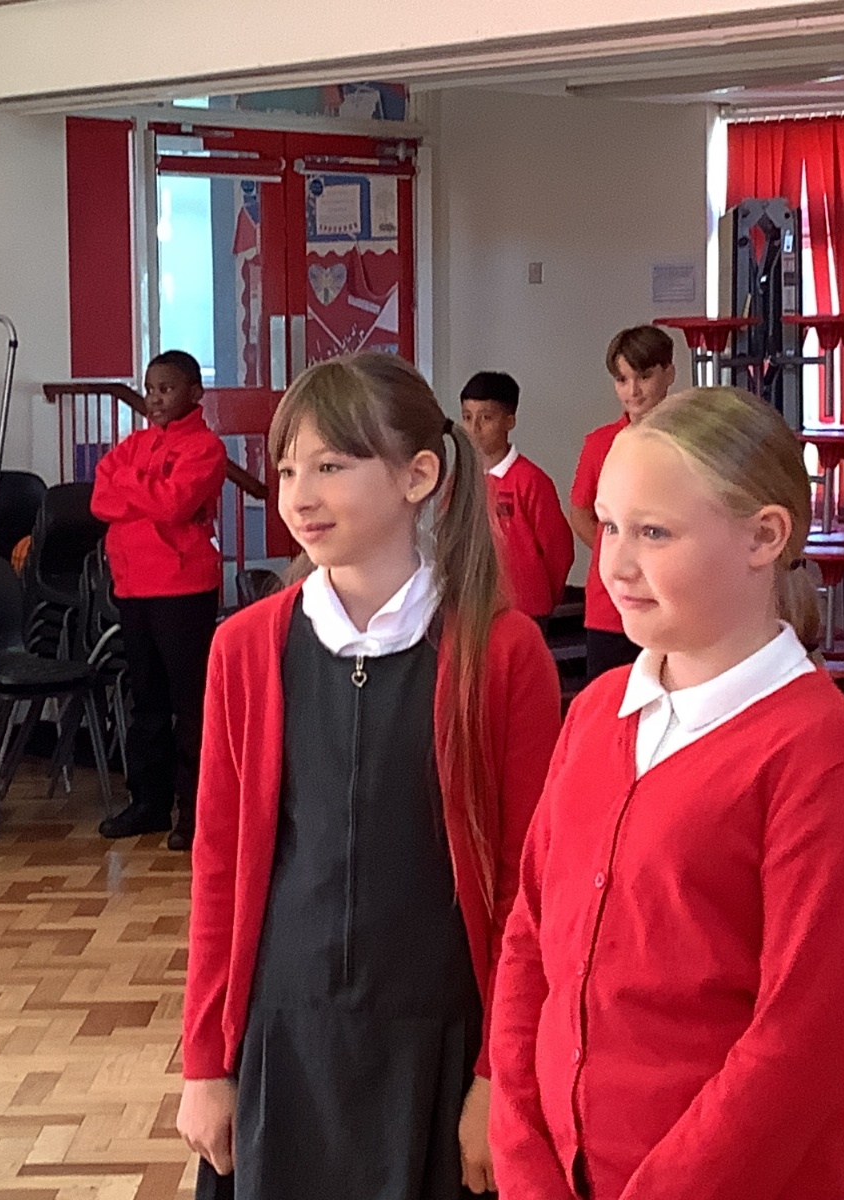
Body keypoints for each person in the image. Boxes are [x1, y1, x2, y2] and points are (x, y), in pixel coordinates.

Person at [490, 387, 844, 1200]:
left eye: (654, 532)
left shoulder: (821, 762)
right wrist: (524, 1159)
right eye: (609, 525)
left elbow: (797, 1047)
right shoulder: (597, 714)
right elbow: (531, 943)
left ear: (764, 536)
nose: (614, 564)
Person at [177, 353, 563, 1200]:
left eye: (330, 466)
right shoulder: (245, 649)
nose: (299, 495)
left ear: (418, 476)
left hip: (441, 1045)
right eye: (287, 470)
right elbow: (218, 868)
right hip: (285, 1040)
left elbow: (529, 888)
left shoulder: (501, 653)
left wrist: (500, 1074)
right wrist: (205, 1061)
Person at [91, 349, 228, 851]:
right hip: (132, 586)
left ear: (195, 393)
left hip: (183, 587)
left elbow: (174, 505)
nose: (155, 398)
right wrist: (146, 490)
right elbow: (99, 500)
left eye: (166, 389)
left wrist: (131, 487)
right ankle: (148, 803)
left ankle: (194, 813)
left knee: (190, 706)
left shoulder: (207, 449)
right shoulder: (134, 444)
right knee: (146, 702)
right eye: (150, 389)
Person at [570, 326, 676, 679]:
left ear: (669, 373)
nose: (633, 390)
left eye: (644, 376)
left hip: (672, 596)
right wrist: (620, 552)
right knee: (609, 697)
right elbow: (581, 513)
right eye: (622, 379)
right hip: (610, 605)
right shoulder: (599, 443)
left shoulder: (690, 444)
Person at [459, 370, 575, 623]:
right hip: (472, 609)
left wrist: (544, 597)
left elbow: (559, 551)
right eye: (467, 417)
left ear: (509, 421)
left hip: (525, 611)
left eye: (486, 418)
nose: (475, 428)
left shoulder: (531, 481)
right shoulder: (459, 481)